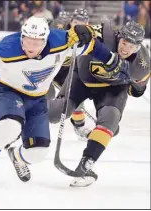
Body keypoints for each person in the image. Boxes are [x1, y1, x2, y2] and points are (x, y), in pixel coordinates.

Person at [0, 15, 128, 187]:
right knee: (10, 127)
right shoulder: (9, 47)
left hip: (38, 99)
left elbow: (90, 45)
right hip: (7, 91)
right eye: (28, 41)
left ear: (45, 39)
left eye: (37, 42)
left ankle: (16, 155)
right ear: (21, 37)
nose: (31, 47)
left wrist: (111, 60)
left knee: (37, 152)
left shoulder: (61, 41)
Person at [48, 21, 150, 187]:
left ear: (138, 47)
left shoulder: (142, 65)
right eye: (124, 43)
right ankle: (25, 118)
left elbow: (136, 90)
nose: (126, 49)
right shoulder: (105, 33)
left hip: (113, 89)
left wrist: (136, 88)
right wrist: (79, 32)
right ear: (119, 38)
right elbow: (81, 31)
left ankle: (86, 164)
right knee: (55, 113)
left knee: (110, 120)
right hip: (81, 79)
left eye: (132, 46)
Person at [49, 8, 92, 140]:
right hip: (48, 67)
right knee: (43, 97)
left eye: (83, 21)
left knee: (75, 96)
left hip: (65, 71)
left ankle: (79, 127)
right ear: (71, 20)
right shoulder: (59, 27)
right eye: (77, 21)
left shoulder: (89, 34)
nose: (79, 24)